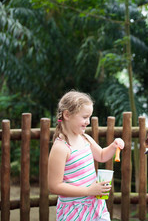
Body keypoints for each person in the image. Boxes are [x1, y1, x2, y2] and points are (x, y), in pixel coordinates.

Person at [48, 90, 125, 221]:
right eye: (84, 117)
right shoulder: (61, 148)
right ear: (67, 115)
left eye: (89, 117)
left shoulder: (85, 138)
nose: (88, 122)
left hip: (95, 205)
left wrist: (114, 146)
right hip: (74, 211)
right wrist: (88, 191)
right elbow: (54, 186)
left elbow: (101, 155)